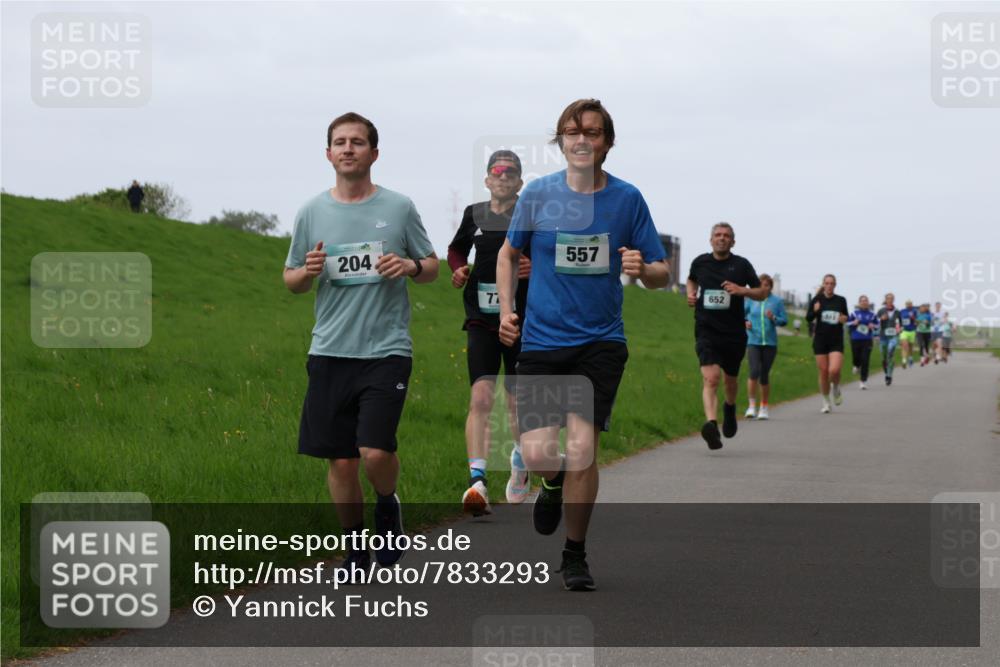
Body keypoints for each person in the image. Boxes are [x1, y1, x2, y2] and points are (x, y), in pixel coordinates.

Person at [496, 99, 670, 591]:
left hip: (600, 341)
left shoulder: (627, 200)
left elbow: (660, 272)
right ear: (561, 140)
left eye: (592, 132)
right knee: (540, 454)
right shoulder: (537, 195)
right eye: (572, 132)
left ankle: (574, 554)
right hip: (543, 340)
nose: (581, 139)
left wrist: (643, 270)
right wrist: (508, 310)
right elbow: (509, 255)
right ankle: (547, 481)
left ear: (607, 143)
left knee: (583, 450)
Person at [283, 112, 438, 575]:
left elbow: (431, 265)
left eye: (357, 142)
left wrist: (409, 268)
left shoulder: (399, 207)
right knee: (342, 463)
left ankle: (388, 505)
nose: (348, 149)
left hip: (386, 350)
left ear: (373, 152)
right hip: (330, 350)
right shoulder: (311, 212)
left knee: (373, 451)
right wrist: (306, 272)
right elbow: (291, 280)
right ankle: (354, 548)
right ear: (328, 154)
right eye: (340, 142)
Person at [448, 150, 532, 516]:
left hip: (519, 320)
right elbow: (455, 249)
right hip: (481, 319)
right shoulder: (474, 214)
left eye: (510, 172)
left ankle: (519, 458)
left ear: (519, 182)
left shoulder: (530, 215)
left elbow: (547, 257)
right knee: (481, 398)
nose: (502, 177)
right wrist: (458, 269)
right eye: (496, 171)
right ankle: (477, 481)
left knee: (515, 403)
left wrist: (535, 267)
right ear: (486, 179)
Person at [687, 223, 766, 445]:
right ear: (711, 239)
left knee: (730, 381)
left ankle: (729, 408)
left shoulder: (741, 265)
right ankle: (711, 425)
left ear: (733, 241)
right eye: (718, 235)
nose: (722, 239)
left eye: (726, 236)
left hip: (733, 333)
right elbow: (692, 279)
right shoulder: (700, 262)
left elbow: (761, 292)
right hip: (706, 330)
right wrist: (691, 293)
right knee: (711, 378)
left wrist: (743, 290)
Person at [743, 273, 787, 420]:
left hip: (770, 343)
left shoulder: (777, 302)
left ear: (770, 287)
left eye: (767, 285)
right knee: (754, 371)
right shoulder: (750, 299)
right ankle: (751, 406)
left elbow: (784, 321)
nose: (764, 287)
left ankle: (764, 407)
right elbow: (740, 315)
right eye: (761, 285)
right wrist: (745, 322)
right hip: (753, 341)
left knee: (764, 375)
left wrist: (773, 318)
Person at [804, 274, 849, 413]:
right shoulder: (817, 300)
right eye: (827, 283)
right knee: (823, 372)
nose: (829, 285)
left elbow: (845, 317)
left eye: (832, 283)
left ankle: (835, 387)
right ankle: (825, 401)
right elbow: (808, 318)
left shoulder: (841, 300)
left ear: (835, 285)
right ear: (823, 284)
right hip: (820, 340)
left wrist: (843, 319)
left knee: (834, 370)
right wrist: (815, 310)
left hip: (836, 340)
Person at [847, 295, 878, 389]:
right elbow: (847, 323)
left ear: (868, 303)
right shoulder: (854, 313)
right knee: (856, 358)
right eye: (862, 301)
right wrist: (853, 323)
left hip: (867, 340)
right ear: (859, 303)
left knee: (865, 360)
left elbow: (878, 324)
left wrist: (873, 325)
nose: (864, 302)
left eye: (866, 301)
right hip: (855, 339)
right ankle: (856, 365)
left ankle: (863, 381)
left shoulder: (872, 314)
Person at [876, 293, 903, 386]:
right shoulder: (881, 311)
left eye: (891, 298)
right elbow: (875, 323)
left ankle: (889, 375)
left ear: (893, 300)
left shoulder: (897, 312)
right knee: (884, 357)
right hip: (883, 336)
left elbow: (901, 324)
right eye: (888, 298)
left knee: (890, 352)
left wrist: (900, 328)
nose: (890, 300)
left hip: (893, 336)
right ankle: (886, 369)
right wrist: (881, 319)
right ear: (886, 300)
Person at [898, 299, 918, 368]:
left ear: (912, 304)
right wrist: (899, 327)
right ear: (905, 304)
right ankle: (904, 361)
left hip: (912, 331)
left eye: (910, 303)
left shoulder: (915, 311)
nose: (909, 305)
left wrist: (913, 318)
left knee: (910, 347)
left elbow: (917, 322)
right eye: (907, 303)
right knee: (905, 345)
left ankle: (910, 358)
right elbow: (899, 320)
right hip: (904, 331)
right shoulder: (902, 311)